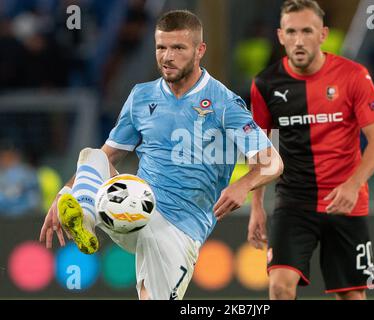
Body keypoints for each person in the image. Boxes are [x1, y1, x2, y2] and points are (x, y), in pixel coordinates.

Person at [39, 10, 283, 300]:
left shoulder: (224, 102)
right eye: (161, 47)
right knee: (93, 155)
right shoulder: (141, 97)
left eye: (178, 48)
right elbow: (108, 155)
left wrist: (242, 185)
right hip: (137, 205)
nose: (167, 56)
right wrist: (65, 192)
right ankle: (86, 216)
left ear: (199, 50)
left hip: (181, 227)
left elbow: (273, 162)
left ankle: (88, 212)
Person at [248, 0, 374, 300]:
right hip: (293, 202)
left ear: (323, 34)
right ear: (280, 35)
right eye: (292, 31)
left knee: (351, 295)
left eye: (307, 31)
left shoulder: (354, 76)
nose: (299, 40)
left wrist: (353, 185)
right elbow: (259, 150)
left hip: (345, 202)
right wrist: (257, 206)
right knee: (279, 287)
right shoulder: (265, 84)